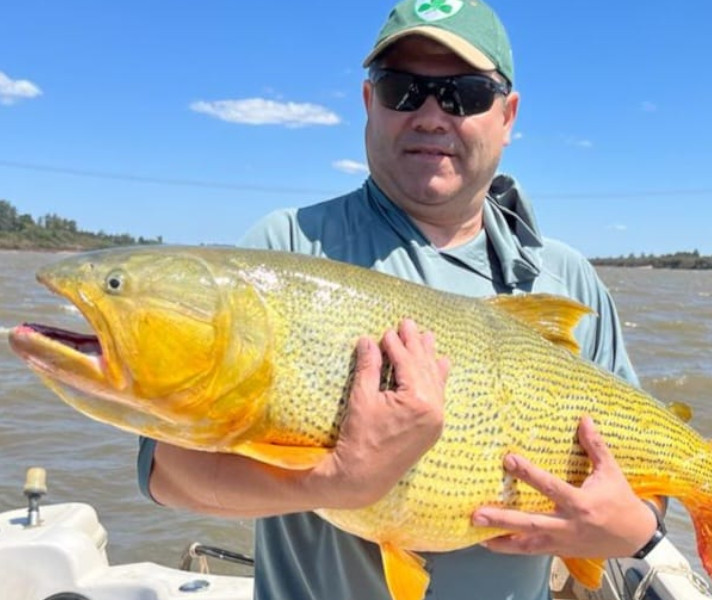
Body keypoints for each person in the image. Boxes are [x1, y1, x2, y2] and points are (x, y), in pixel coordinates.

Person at [138, 1, 664, 598]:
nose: (432, 116)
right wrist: (331, 483)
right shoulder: (285, 252)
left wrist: (633, 528)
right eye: (402, 90)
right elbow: (167, 473)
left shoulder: (565, 278)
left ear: (508, 116)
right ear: (369, 104)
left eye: (464, 93)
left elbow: (645, 469)